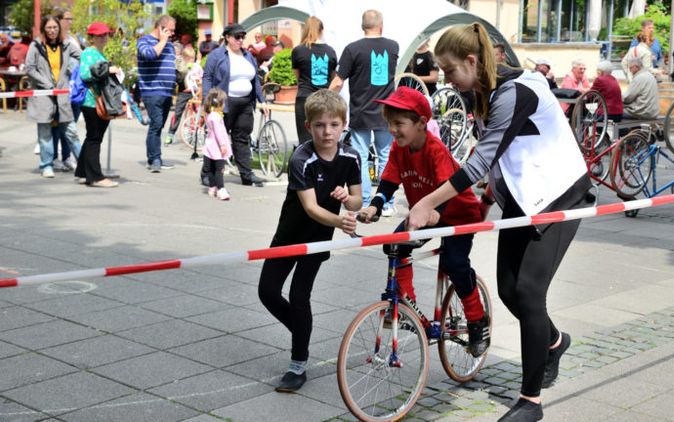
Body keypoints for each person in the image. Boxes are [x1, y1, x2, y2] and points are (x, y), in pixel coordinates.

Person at [407, 23, 590, 422]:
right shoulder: (481, 92)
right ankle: (555, 343)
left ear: (473, 61)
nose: (447, 80)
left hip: (561, 194)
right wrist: (491, 197)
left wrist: (427, 202)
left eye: (451, 70)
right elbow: (505, 148)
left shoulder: (517, 90)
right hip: (524, 198)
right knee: (508, 290)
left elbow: (479, 160)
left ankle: (530, 402)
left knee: (527, 292)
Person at [358, 86, 490, 356]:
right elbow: (388, 182)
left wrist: (434, 214)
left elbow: (446, 189)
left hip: (458, 213)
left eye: (399, 124)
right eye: (389, 124)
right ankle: (407, 305)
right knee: (394, 246)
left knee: (455, 263)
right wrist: (373, 207)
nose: (393, 130)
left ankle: (477, 320)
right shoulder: (399, 148)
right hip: (425, 214)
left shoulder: (435, 149)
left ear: (421, 123)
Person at [258, 89, 362, 392]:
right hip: (289, 234)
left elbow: (356, 201)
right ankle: (302, 329)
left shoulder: (350, 157)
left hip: (318, 239)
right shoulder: (302, 158)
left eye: (333, 124)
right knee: (267, 292)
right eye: (319, 125)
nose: (326, 131)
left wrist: (348, 201)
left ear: (343, 125)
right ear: (308, 126)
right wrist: (340, 219)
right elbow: (310, 207)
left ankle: (298, 366)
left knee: (300, 296)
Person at [329, 9, 399, 215]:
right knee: (387, 156)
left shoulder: (352, 49)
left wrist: (324, 98)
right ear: (381, 25)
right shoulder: (393, 46)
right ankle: (386, 203)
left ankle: (365, 199)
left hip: (360, 111)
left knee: (360, 156)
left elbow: (338, 81)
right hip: (386, 111)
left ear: (362, 27)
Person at [203, 23, 269, 187]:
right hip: (224, 103)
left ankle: (246, 174)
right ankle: (208, 173)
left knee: (242, 138)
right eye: (237, 37)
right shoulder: (217, 55)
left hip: (245, 103)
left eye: (242, 37)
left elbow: (254, 80)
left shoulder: (247, 55)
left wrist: (262, 100)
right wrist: (208, 101)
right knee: (218, 138)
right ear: (227, 37)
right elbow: (207, 78)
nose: (241, 40)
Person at [25, 15, 81, 179]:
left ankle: (85, 164)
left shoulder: (66, 44)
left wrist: (70, 72)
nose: (52, 30)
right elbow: (30, 68)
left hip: (62, 95)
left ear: (59, 28)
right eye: (49, 27)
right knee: (45, 133)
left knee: (70, 131)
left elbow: (82, 56)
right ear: (44, 29)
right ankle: (46, 165)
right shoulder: (36, 45)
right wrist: (46, 83)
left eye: (55, 27)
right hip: (44, 95)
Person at [73, 22, 120, 187]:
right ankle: (96, 177)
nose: (103, 38)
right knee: (95, 138)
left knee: (92, 137)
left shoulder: (97, 53)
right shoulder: (89, 52)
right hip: (93, 101)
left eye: (105, 34)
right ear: (91, 37)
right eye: (99, 35)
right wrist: (108, 70)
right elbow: (85, 74)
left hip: (97, 101)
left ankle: (83, 172)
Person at [137, 14, 177, 173]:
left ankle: (155, 157)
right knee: (156, 124)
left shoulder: (169, 44)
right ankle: (154, 159)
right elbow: (150, 55)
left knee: (159, 126)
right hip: (152, 90)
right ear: (161, 27)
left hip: (167, 92)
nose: (172, 34)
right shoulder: (144, 41)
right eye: (170, 30)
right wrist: (162, 40)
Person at [292, 16, 337, 144]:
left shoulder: (298, 51)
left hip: (304, 97)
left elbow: (298, 77)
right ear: (322, 31)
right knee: (324, 138)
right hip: (324, 99)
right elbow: (332, 77)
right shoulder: (330, 51)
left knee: (305, 140)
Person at [51, 6, 82, 172]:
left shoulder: (72, 38)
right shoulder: (55, 39)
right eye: (67, 19)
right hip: (62, 88)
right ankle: (55, 157)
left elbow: (80, 56)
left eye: (71, 19)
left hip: (76, 88)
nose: (70, 22)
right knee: (57, 124)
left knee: (71, 125)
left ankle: (66, 157)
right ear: (59, 20)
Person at [166, 45, 202, 145]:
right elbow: (178, 77)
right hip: (183, 92)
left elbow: (202, 76)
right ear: (185, 58)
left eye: (193, 58)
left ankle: (195, 132)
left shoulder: (197, 66)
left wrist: (199, 80)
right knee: (177, 113)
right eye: (189, 58)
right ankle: (170, 134)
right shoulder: (181, 66)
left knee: (198, 112)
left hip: (195, 93)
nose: (192, 60)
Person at [201, 88, 233, 200]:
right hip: (217, 147)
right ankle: (221, 189)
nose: (224, 105)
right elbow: (219, 133)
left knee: (211, 169)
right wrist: (223, 145)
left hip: (209, 147)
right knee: (219, 169)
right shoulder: (216, 116)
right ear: (218, 103)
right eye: (223, 102)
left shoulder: (209, 114)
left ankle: (212, 187)